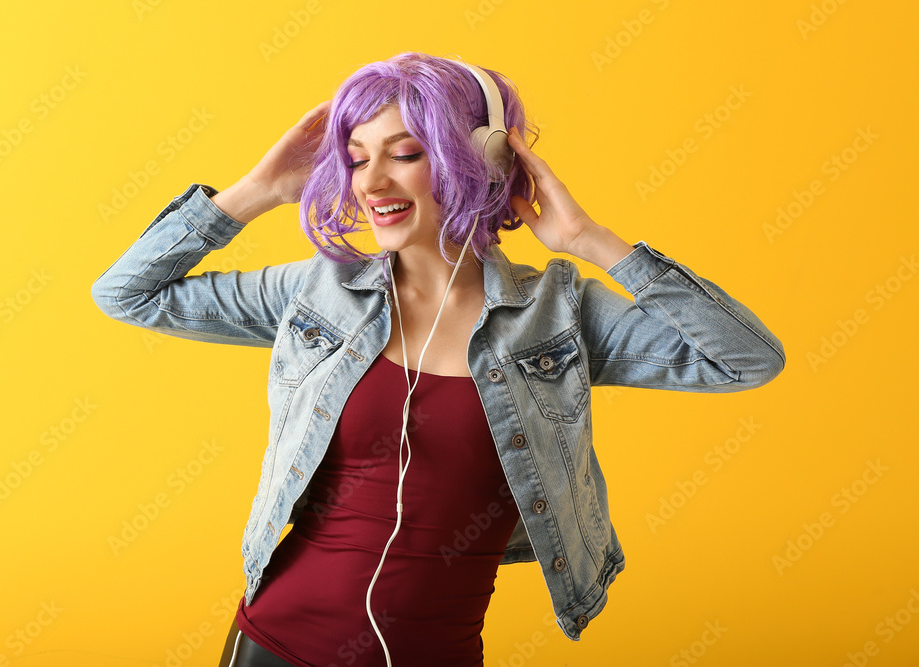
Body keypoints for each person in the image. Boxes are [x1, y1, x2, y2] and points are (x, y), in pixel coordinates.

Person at [91, 52, 785, 667]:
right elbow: (126, 293)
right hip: (276, 643)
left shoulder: (558, 316)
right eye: (357, 157)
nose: (371, 182)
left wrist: (588, 238)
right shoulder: (317, 292)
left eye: (404, 153)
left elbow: (747, 359)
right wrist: (257, 191)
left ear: (477, 158)